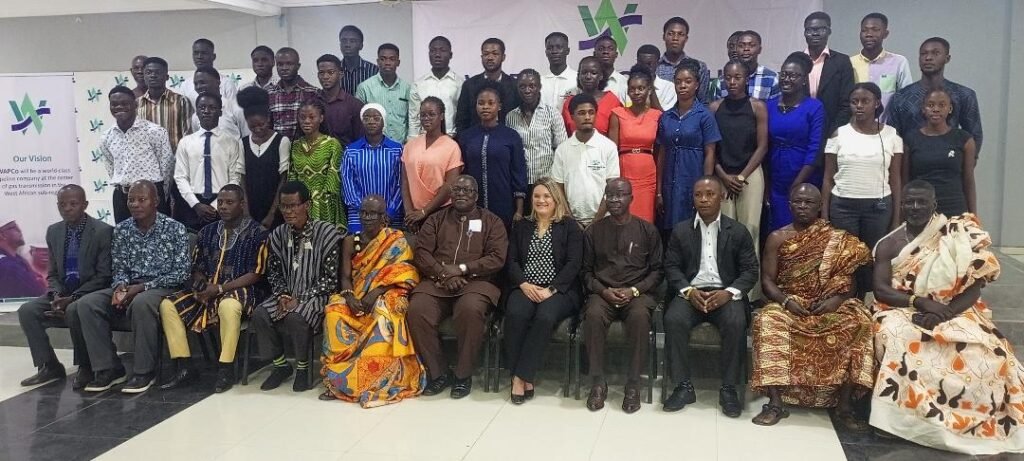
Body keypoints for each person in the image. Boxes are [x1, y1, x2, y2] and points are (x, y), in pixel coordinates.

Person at [871, 181, 1024, 455]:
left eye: (922, 202)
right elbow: (881, 289)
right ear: (901, 204)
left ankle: (978, 420)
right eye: (909, 202)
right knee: (898, 338)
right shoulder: (890, 243)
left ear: (934, 205)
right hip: (901, 309)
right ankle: (902, 422)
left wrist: (944, 313)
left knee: (994, 354)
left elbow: (975, 284)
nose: (915, 208)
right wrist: (920, 303)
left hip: (955, 309)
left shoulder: (957, 234)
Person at [750, 184, 874, 429]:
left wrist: (836, 301)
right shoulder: (777, 238)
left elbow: (847, 278)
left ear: (819, 207)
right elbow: (767, 281)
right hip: (789, 304)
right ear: (790, 205)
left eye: (809, 203)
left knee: (860, 322)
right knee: (767, 321)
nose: (803, 207)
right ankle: (775, 403)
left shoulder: (836, 238)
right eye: (798, 202)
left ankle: (845, 406)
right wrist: (787, 302)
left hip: (829, 303)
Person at [76, 180, 190, 394]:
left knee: (142, 302)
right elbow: (119, 267)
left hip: (164, 287)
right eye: (131, 200)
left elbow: (180, 274)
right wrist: (120, 287)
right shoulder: (122, 230)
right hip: (131, 286)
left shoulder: (175, 228)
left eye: (141, 199)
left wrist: (142, 287)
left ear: (155, 201)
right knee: (88, 303)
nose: (135, 204)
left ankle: (144, 371)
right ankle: (109, 368)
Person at [662, 176, 758, 417]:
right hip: (691, 293)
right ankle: (683, 386)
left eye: (710, 194)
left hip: (724, 293)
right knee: (674, 319)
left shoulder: (737, 231)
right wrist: (688, 291)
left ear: (721, 197)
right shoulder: (681, 230)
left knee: (736, 322)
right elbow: (671, 267)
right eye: (698, 195)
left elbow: (750, 271)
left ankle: (729, 389)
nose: (703, 199)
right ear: (693, 199)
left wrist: (729, 293)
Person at [158, 185, 268, 393]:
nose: (223, 207)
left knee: (228, 305)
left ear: (242, 205)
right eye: (220, 202)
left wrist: (219, 288)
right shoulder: (207, 231)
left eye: (229, 202)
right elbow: (197, 266)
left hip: (242, 290)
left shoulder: (258, 233)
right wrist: (200, 284)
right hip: (208, 291)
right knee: (168, 304)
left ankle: (226, 368)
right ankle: (185, 366)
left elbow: (256, 273)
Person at [407, 176, 508, 399]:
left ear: (476, 196)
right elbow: (421, 253)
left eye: (467, 190)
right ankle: (439, 373)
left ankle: (463, 375)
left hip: (476, 283)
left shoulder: (492, 221)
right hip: (437, 282)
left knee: (470, 310)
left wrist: (461, 268)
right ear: (450, 195)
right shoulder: (435, 220)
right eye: (457, 190)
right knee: (417, 310)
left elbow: (497, 258)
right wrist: (444, 273)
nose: (461, 193)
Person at [320, 195, 425, 407]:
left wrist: (376, 292)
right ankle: (339, 379)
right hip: (356, 293)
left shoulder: (396, 240)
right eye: (363, 213)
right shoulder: (351, 241)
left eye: (372, 214)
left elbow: (405, 272)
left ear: (383, 217)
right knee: (333, 311)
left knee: (386, 312)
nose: (367, 218)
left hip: (386, 293)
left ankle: (374, 378)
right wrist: (349, 296)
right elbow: (345, 276)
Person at [17, 185, 112, 389]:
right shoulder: (54, 231)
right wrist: (57, 294)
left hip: (90, 292)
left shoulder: (102, 231)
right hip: (63, 293)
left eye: (73, 204)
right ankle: (49, 365)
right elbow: (52, 274)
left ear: (85, 205)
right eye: (62, 204)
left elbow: (104, 276)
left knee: (76, 307)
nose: (67, 208)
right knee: (27, 310)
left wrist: (74, 297)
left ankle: (86, 366)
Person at [582, 178, 662, 413]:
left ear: (631, 198)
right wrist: (603, 291)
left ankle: (633, 384)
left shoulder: (647, 230)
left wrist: (635, 290)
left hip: (638, 292)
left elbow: (658, 271)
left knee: (639, 317)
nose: (615, 200)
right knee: (593, 315)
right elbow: (585, 272)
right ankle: (597, 382)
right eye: (610, 195)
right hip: (603, 292)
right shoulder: (594, 231)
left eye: (621, 195)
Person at [253, 181, 343, 392]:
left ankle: (302, 367)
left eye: (293, 205)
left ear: (307, 205)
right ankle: (280, 365)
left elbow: (331, 280)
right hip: (287, 294)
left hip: (318, 295)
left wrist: (301, 298)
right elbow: (273, 273)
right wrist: (283, 294)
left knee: (297, 316)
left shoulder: (327, 233)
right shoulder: (277, 235)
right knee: (260, 314)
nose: (288, 211)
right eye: (284, 206)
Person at [503, 178, 582, 404]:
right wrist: (523, 284)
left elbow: (574, 264)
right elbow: (512, 261)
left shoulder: (569, 226)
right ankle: (523, 376)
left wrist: (552, 289)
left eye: (546, 196)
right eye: (537, 196)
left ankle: (520, 376)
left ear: (556, 199)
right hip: (525, 285)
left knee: (545, 316)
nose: (541, 200)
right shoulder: (521, 226)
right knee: (516, 313)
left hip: (559, 290)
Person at [822, 82, 903, 299]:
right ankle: (849, 303)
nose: (859, 106)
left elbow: (896, 180)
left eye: (865, 101)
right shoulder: (838, 134)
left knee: (872, 258)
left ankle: (868, 304)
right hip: (843, 206)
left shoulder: (892, 135)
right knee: (846, 259)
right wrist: (824, 214)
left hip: (878, 207)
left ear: (877, 104)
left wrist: (896, 220)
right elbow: (828, 177)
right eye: (854, 101)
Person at [709, 60, 768, 299]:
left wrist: (742, 176)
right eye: (728, 78)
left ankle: (750, 294)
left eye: (738, 78)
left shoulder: (757, 107)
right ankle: (726, 289)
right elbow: (711, 148)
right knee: (724, 233)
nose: (732, 82)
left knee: (750, 231)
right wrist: (723, 176)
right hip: (722, 175)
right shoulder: (714, 107)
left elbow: (763, 146)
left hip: (750, 174)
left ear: (746, 79)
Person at [657, 61, 722, 234]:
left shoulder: (705, 115)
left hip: (693, 180)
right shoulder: (666, 117)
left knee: (693, 230)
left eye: (687, 81)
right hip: (669, 183)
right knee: (670, 231)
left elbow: (710, 153)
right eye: (678, 82)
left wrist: (706, 187)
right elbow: (662, 154)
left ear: (696, 85)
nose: (682, 86)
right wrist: (658, 191)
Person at [887, 37, 983, 154]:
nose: (928, 58)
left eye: (935, 53)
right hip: (911, 166)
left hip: (949, 165)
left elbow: (974, 135)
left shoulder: (963, 94)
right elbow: (893, 137)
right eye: (923, 54)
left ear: (947, 58)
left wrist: (966, 165)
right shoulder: (901, 97)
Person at [766, 52, 826, 231]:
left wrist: (797, 185)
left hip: (804, 177)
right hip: (775, 178)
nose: (786, 79)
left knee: (802, 229)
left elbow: (815, 149)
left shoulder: (814, 107)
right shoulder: (768, 106)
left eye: (793, 75)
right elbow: (763, 145)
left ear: (804, 80)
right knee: (777, 229)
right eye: (783, 74)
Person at [100, 85, 174, 222]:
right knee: (124, 240)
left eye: (124, 103)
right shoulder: (106, 136)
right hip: (122, 198)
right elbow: (111, 167)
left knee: (157, 239)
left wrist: (160, 196)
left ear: (135, 104)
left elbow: (167, 167)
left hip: (151, 196)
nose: (119, 107)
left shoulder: (154, 131)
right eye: (114, 104)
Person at [173, 92, 244, 233]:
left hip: (221, 204)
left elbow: (235, 177)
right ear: (196, 112)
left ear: (220, 112)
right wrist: (196, 204)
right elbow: (180, 177)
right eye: (202, 107)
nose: (206, 111)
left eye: (212, 107)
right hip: (191, 204)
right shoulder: (186, 142)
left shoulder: (231, 142)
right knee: (192, 247)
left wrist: (216, 205)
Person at [458, 84, 528, 226]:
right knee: (475, 241)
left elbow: (519, 173)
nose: (485, 107)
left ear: (500, 106)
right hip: (473, 207)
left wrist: (519, 210)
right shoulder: (466, 137)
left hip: (504, 205)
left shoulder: (511, 136)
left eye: (491, 103)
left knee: (501, 243)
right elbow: (462, 172)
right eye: (481, 103)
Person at [902, 88, 977, 216]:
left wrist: (973, 215)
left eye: (942, 105)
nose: (936, 109)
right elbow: (905, 180)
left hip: (955, 207)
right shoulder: (910, 139)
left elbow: (968, 180)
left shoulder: (964, 139)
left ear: (950, 108)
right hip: (919, 209)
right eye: (930, 105)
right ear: (923, 109)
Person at [551, 93, 620, 226]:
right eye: (581, 113)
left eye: (591, 112)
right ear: (572, 117)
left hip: (603, 221)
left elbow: (612, 188)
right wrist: (571, 220)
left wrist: (595, 222)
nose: (587, 117)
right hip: (571, 222)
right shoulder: (563, 149)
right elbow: (558, 189)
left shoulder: (608, 147)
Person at [506, 68, 568, 212]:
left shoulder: (552, 113)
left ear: (539, 87)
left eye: (532, 86)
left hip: (546, 181)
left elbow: (562, 150)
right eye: (522, 86)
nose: (527, 90)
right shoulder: (510, 117)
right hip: (520, 184)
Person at [401, 97, 463, 232]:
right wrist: (409, 213)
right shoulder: (410, 145)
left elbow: (450, 184)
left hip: (441, 212)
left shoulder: (452, 146)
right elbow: (405, 181)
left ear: (441, 116)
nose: (426, 118)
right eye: (423, 115)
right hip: (413, 215)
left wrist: (424, 211)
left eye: (431, 114)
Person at [609, 65, 662, 222]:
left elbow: (660, 152)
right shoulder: (617, 113)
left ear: (649, 90)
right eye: (632, 89)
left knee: (646, 221)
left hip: (648, 177)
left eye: (641, 88)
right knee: (624, 219)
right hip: (624, 173)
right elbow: (612, 151)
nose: (637, 92)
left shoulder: (657, 115)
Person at [342, 104, 404, 232]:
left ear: (384, 121)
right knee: (359, 250)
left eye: (376, 118)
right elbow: (348, 185)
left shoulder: (397, 149)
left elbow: (402, 184)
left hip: (390, 215)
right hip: (359, 215)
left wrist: (390, 211)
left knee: (392, 250)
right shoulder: (351, 151)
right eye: (366, 118)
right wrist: (367, 212)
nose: (371, 121)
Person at [237, 86, 290, 229]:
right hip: (251, 207)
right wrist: (246, 211)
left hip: (274, 207)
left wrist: (272, 213)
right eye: (252, 126)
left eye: (261, 124)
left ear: (268, 118)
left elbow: (283, 179)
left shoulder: (281, 141)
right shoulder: (242, 143)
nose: (258, 129)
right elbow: (241, 178)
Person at [289, 100, 345, 229]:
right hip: (299, 206)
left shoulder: (332, 144)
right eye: (302, 117)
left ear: (321, 118)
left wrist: (316, 201)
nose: (306, 121)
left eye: (311, 117)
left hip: (326, 205)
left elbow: (333, 180)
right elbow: (292, 177)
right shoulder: (296, 145)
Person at [851, 13, 913, 124]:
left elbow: (906, 100)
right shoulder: (849, 63)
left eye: (875, 29)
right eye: (864, 30)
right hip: (856, 130)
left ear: (885, 33)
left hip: (887, 131)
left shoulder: (899, 62)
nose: (869, 34)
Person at [802, 11, 855, 141]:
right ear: (804, 33)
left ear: (829, 31)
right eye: (810, 30)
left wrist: (834, 130)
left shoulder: (842, 61)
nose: (815, 33)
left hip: (831, 132)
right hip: (800, 131)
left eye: (821, 29)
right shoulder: (797, 60)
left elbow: (846, 102)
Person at [455, 38, 520, 134]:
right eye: (486, 54)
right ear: (481, 57)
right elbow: (462, 120)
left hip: (506, 142)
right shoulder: (470, 85)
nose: (490, 57)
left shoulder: (514, 85)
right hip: (475, 141)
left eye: (495, 54)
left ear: (503, 57)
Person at [408, 36, 462, 140]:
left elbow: (463, 117)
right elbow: (413, 118)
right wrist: (412, 142)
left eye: (442, 51)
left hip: (453, 138)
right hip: (424, 139)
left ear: (450, 55)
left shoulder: (459, 83)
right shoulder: (418, 85)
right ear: (429, 54)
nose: (437, 55)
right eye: (433, 51)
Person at [355, 43, 411, 143]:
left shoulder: (407, 88)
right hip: (373, 147)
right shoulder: (364, 87)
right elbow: (358, 122)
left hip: (401, 147)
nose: (387, 62)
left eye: (392, 59)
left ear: (398, 62)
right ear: (377, 62)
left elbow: (411, 119)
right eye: (383, 59)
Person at [137, 57, 193, 153]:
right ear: (144, 76)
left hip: (175, 163)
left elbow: (187, 136)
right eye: (149, 72)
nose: (153, 76)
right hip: (146, 164)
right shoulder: (136, 104)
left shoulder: (181, 101)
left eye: (157, 72)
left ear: (167, 77)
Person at [561, 56, 622, 136]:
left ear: (601, 76)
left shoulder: (612, 101)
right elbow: (564, 136)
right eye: (584, 73)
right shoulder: (569, 103)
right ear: (579, 76)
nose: (588, 77)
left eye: (593, 73)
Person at [268, 47, 320, 141]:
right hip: (278, 151)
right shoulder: (269, 94)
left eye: (289, 64)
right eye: (280, 64)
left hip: (305, 151)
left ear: (298, 66)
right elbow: (268, 127)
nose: (284, 68)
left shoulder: (313, 92)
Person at [658, 17, 711, 103]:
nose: (675, 38)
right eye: (671, 34)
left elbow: (703, 101)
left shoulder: (699, 67)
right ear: (664, 36)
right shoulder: (655, 68)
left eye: (680, 34)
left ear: (686, 38)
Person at [317, 53, 364, 147]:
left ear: (341, 74)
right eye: (322, 73)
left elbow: (360, 140)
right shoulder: (313, 103)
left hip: (347, 159)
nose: (325, 77)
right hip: (318, 160)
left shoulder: (355, 105)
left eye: (331, 72)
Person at [189, 66, 249, 138]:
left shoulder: (236, 108)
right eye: (196, 84)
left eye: (202, 82)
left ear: (218, 82)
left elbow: (247, 138)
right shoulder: (196, 116)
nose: (199, 87)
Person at [179, 38, 238, 109]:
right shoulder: (186, 84)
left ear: (214, 56)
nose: (199, 57)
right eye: (196, 53)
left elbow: (234, 111)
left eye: (204, 53)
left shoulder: (227, 83)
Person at [725, 30, 780, 101]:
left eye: (751, 45)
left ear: (759, 49)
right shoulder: (723, 80)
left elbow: (774, 109)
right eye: (741, 46)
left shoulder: (772, 79)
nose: (746, 49)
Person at [0, 219, 46, 298]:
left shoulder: (18, 260)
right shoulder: (6, 266)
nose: (19, 230)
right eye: (13, 227)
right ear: (2, 235)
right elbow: (37, 291)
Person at [338, 25, 379, 96]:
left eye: (352, 41)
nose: (347, 44)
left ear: (361, 46)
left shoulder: (373, 71)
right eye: (344, 41)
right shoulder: (334, 71)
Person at [540, 32, 577, 110]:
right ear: (546, 52)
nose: (554, 51)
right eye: (550, 48)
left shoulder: (578, 79)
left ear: (568, 50)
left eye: (559, 47)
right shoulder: (539, 81)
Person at [633, 45, 677, 109]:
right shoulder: (627, 86)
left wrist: (650, 86)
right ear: (637, 62)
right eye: (642, 64)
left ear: (658, 63)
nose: (645, 68)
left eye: (649, 64)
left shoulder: (669, 87)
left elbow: (664, 116)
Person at [592, 36, 626, 102]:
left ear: (616, 55)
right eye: (601, 49)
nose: (605, 52)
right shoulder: (586, 81)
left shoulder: (624, 83)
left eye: (610, 49)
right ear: (594, 54)